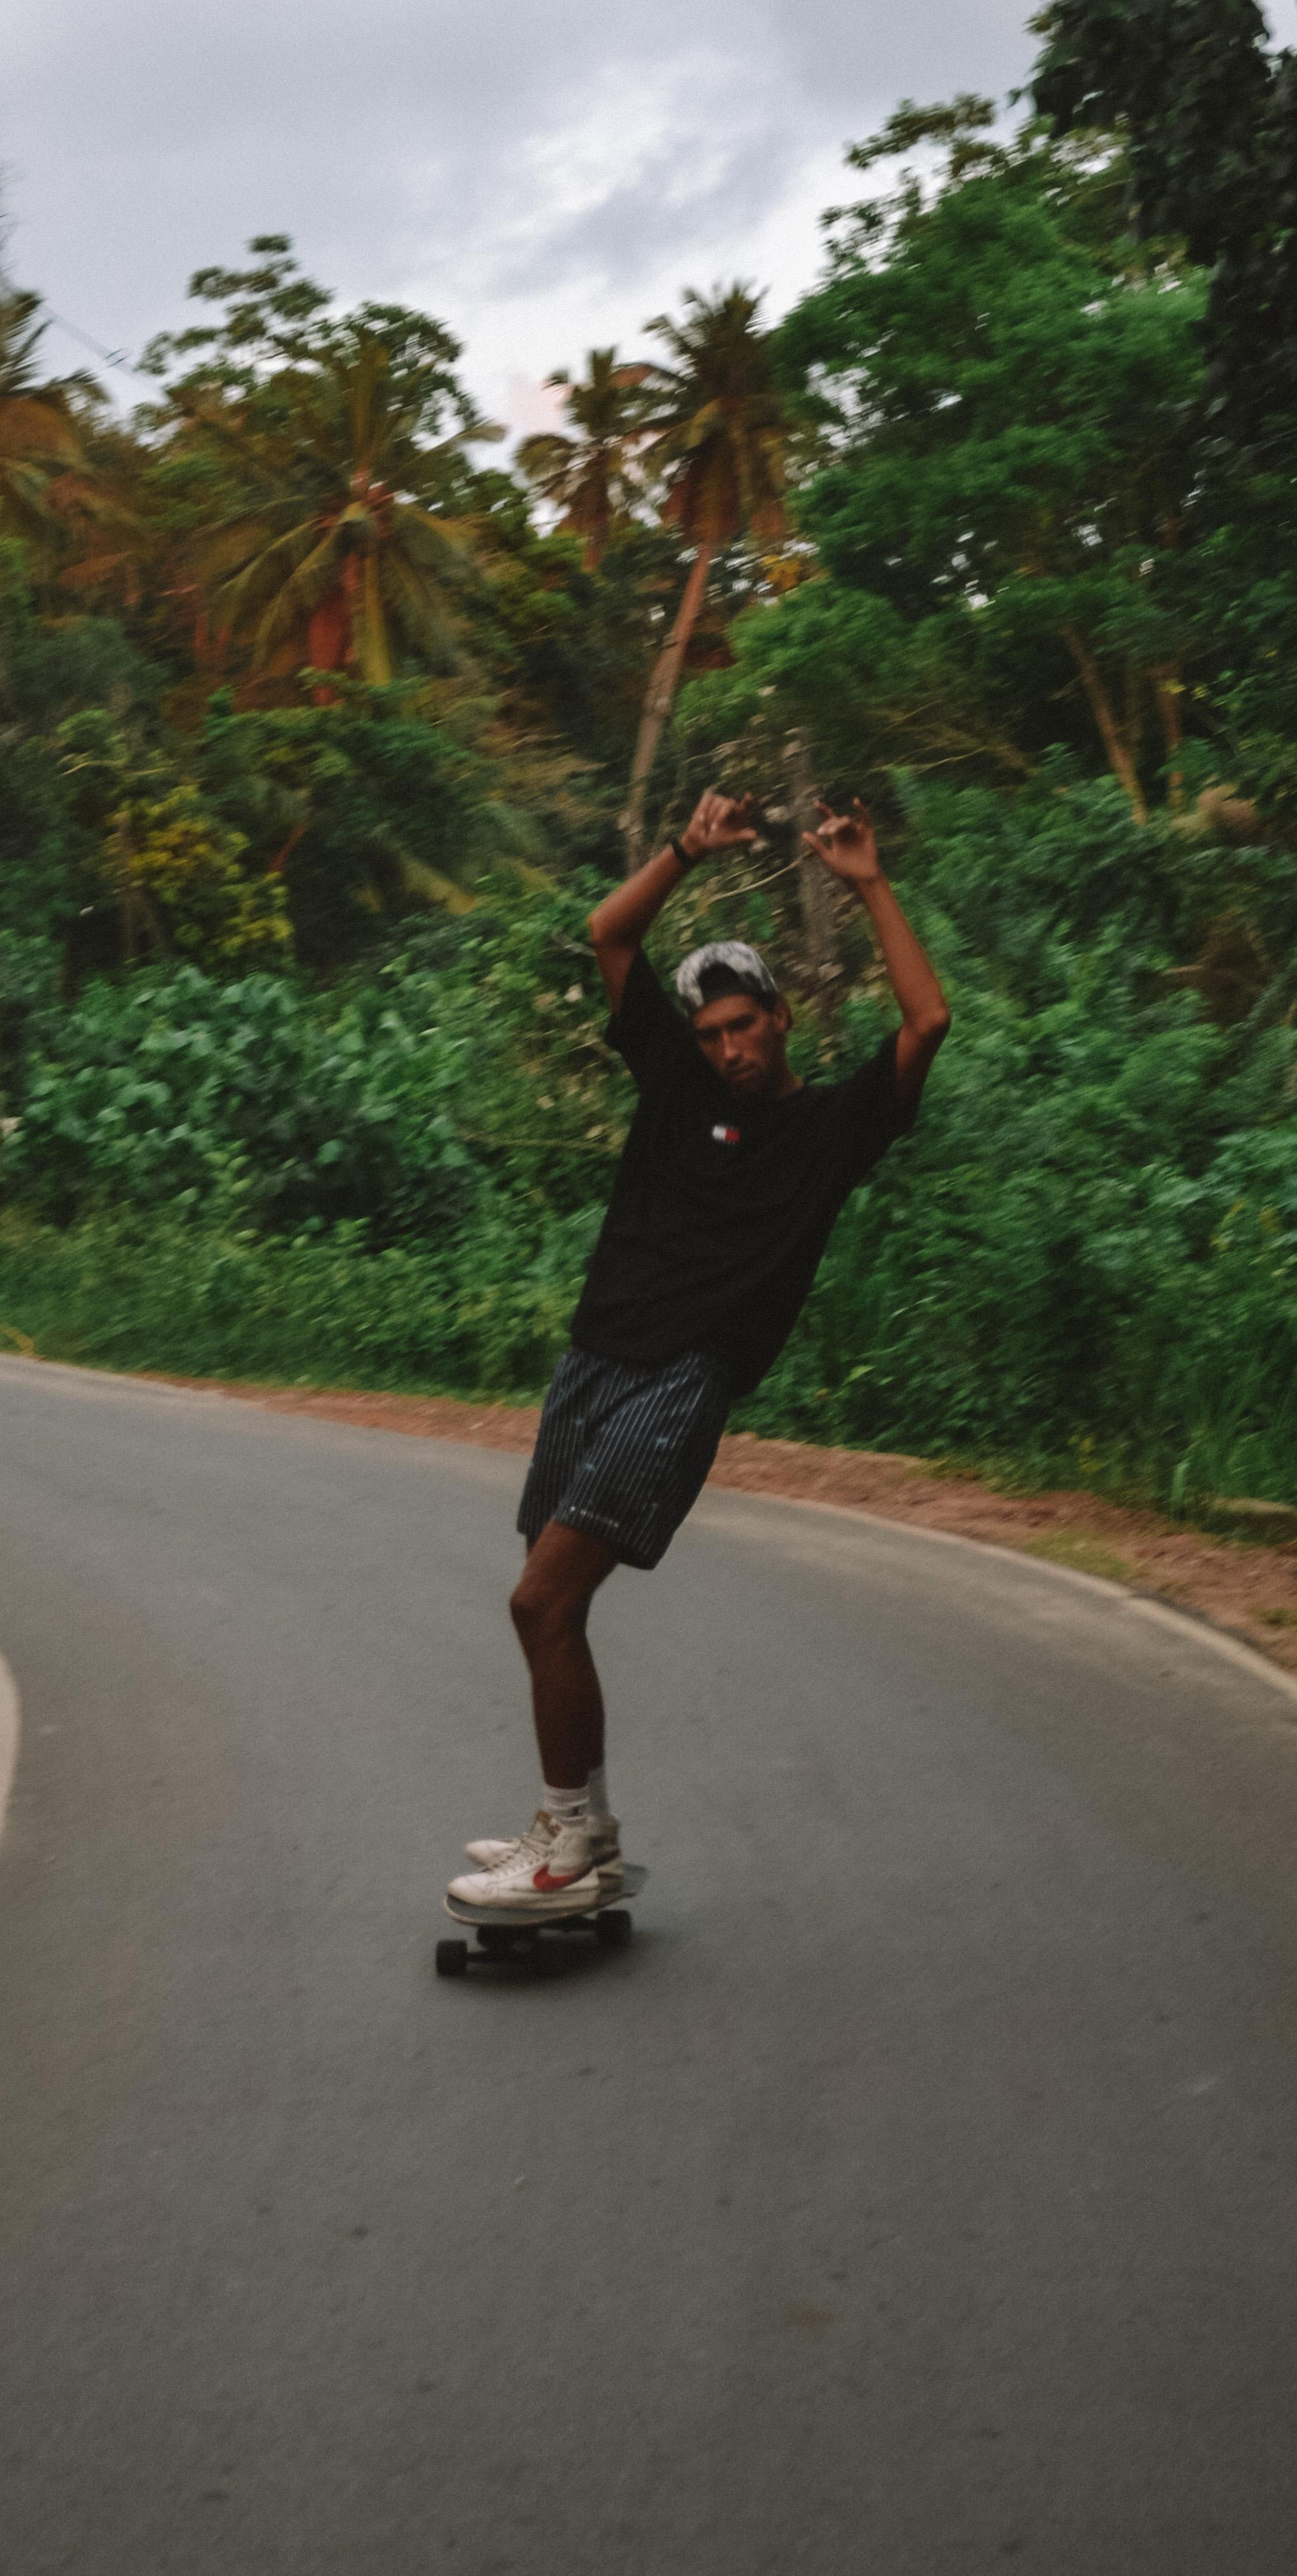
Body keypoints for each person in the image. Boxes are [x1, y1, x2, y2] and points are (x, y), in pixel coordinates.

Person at [450, 786, 951, 1910]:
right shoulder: (672, 1081)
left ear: (780, 1017)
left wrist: (867, 883)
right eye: (711, 1031)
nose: (727, 1047)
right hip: (595, 1357)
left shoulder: (832, 1130)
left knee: (540, 1601)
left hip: (685, 1377)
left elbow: (926, 1025)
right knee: (553, 1608)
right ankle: (586, 1825)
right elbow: (609, 933)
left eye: (744, 1025)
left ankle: (568, 1840)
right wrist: (684, 848)